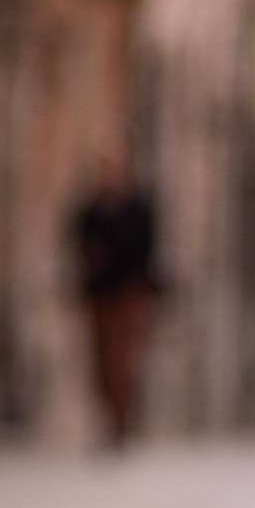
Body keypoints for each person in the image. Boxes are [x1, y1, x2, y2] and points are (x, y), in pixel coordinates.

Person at [70, 156, 161, 446]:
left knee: (123, 358)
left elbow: (145, 248)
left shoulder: (137, 210)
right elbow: (79, 244)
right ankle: (109, 416)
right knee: (100, 359)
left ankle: (121, 419)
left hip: (129, 293)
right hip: (101, 293)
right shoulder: (91, 210)